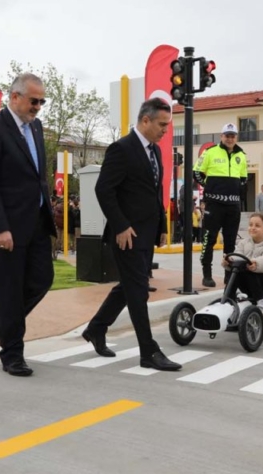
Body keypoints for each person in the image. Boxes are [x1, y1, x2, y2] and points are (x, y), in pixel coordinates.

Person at [81, 98, 180, 371]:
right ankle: (148, 351)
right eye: (161, 125)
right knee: (138, 291)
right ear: (145, 120)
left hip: (147, 233)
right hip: (126, 235)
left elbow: (155, 191)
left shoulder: (156, 151)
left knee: (128, 287)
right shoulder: (121, 149)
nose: (164, 130)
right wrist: (121, 225)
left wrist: (161, 226)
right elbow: (104, 190)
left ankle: (96, 328)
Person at [0, 73, 57, 377]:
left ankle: (0, 324)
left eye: (41, 101)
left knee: (42, 279)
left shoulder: (35, 128)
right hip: (5, 226)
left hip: (34, 221)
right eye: (33, 100)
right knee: (7, 291)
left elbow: (38, 177)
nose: (38, 106)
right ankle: (12, 353)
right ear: (14, 97)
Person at [195, 123, 247, 287]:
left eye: (233, 136)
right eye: (227, 135)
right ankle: (207, 274)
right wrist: (210, 187)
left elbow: (244, 178)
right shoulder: (210, 152)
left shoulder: (242, 155)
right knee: (208, 239)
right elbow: (197, 172)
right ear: (221, 136)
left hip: (233, 206)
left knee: (230, 243)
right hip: (214, 204)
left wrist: (236, 188)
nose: (230, 138)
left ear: (236, 137)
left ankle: (228, 276)